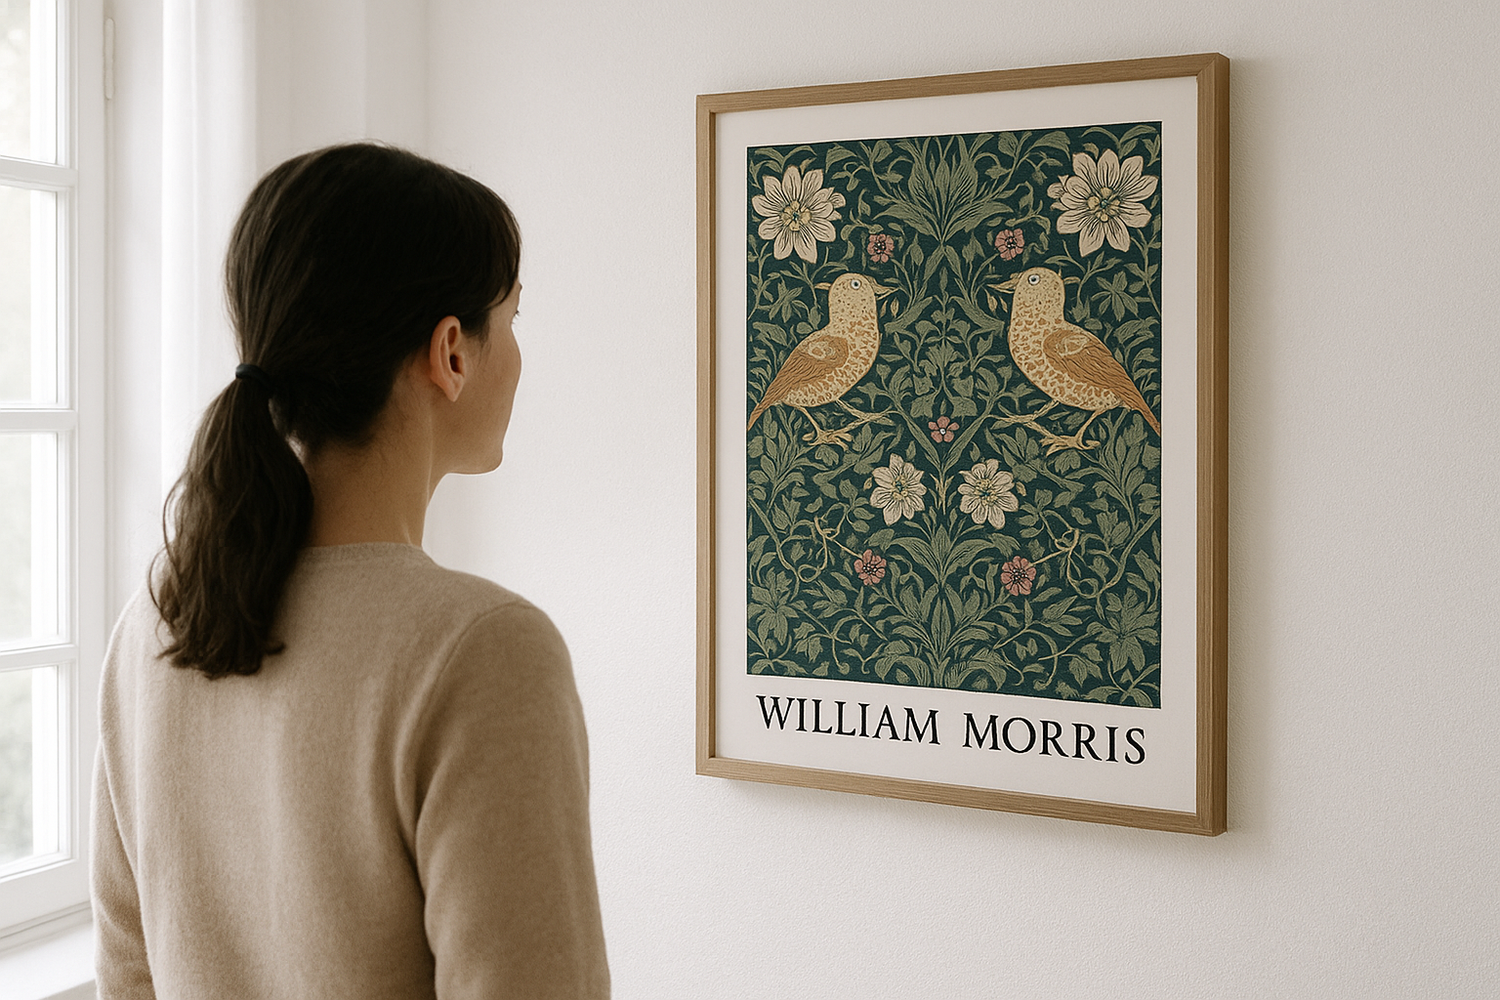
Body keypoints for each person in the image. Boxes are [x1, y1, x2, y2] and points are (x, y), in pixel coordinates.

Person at [90, 144, 610, 999]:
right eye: (511, 318)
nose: (516, 354)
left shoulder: (158, 622)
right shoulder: (485, 652)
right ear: (451, 350)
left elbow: (127, 977)